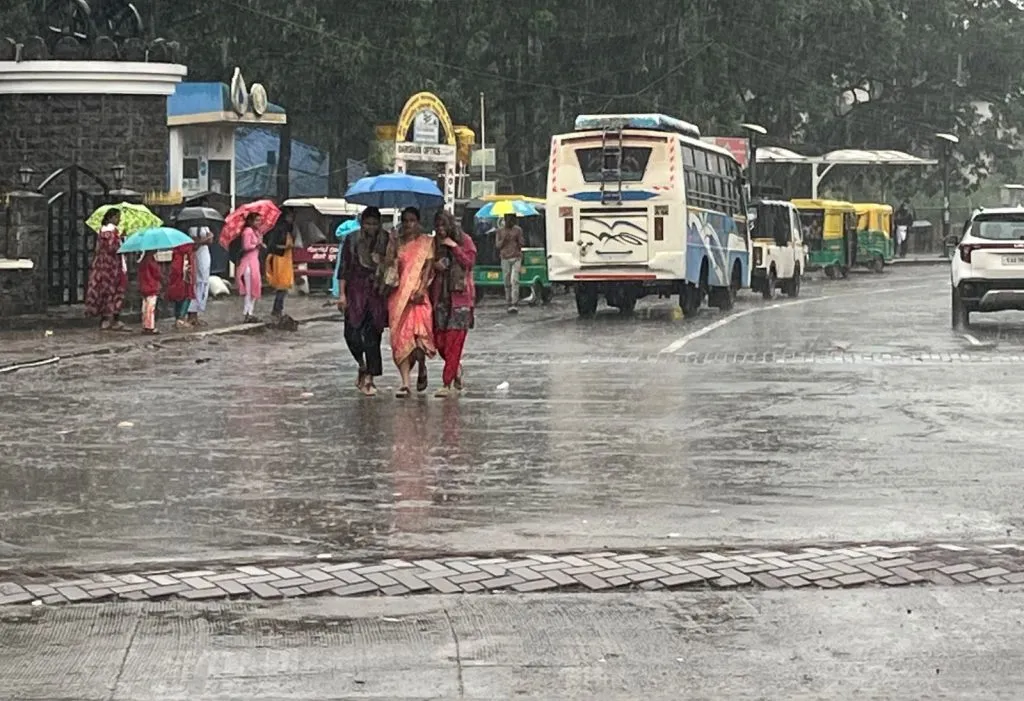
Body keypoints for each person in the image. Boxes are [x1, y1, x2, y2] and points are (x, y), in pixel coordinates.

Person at [337, 207, 390, 396]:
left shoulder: (387, 239)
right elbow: (343, 269)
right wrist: (342, 294)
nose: (371, 227)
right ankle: (361, 364)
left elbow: (393, 265)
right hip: (355, 290)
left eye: (375, 223)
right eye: (368, 223)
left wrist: (381, 262)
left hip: (377, 292)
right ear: (362, 222)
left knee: (372, 337)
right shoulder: (351, 240)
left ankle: (369, 378)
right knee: (351, 333)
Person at [385, 206, 436, 398]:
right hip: (398, 297)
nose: (408, 224)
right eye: (405, 220)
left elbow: (428, 269)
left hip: (418, 297)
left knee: (419, 338)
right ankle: (405, 383)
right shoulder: (396, 243)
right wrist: (391, 243)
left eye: (412, 220)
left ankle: (421, 365)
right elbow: (389, 266)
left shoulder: (426, 243)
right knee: (400, 339)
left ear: (419, 222)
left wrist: (421, 289)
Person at [430, 210, 477, 398]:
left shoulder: (465, 240)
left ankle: (447, 382)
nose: (441, 230)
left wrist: (454, 247)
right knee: (439, 341)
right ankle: (455, 368)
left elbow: (469, 262)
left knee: (454, 343)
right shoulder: (434, 244)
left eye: (444, 225)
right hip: (440, 298)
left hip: (460, 299)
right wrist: (435, 265)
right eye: (438, 226)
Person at [85, 208, 128, 331]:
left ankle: (110, 318)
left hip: (105, 266)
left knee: (107, 291)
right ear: (111, 218)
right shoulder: (111, 232)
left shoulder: (106, 232)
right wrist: (120, 239)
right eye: (117, 217)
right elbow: (112, 248)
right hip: (112, 267)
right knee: (112, 291)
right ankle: (110, 318)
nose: (119, 219)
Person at [265, 208, 295, 318]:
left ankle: (278, 308)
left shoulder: (288, 230)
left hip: (286, 259)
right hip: (279, 259)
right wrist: (285, 247)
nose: (292, 219)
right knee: (282, 285)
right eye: (290, 217)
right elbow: (272, 246)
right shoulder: (279, 230)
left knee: (284, 285)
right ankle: (277, 309)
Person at [236, 212, 264, 323]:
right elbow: (246, 246)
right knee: (249, 289)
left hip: (254, 262)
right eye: (257, 220)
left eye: (259, 220)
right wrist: (256, 245)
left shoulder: (256, 232)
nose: (259, 222)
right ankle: (247, 313)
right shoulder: (247, 232)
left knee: (255, 287)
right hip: (248, 264)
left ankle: (250, 311)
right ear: (251, 221)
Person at [495, 213, 525, 313]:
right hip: (505, 258)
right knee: (506, 280)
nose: (509, 221)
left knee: (515, 280)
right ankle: (508, 301)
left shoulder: (518, 230)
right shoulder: (500, 231)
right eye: (507, 219)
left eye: (511, 219)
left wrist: (517, 240)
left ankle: (514, 302)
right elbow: (498, 246)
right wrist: (504, 239)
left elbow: (522, 243)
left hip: (516, 257)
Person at [187, 225, 213, 326]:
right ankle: (191, 314)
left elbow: (210, 240)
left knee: (203, 282)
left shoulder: (205, 227)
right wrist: (205, 239)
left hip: (205, 254)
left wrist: (206, 239)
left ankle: (197, 313)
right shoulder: (191, 228)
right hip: (196, 255)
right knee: (196, 282)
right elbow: (194, 243)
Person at [166, 243, 195, 328]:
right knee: (187, 296)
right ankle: (181, 319)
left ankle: (177, 318)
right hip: (184, 277)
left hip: (176, 278)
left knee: (177, 298)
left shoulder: (176, 252)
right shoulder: (187, 251)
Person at [137, 251, 162, 334]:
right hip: (151, 286)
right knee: (150, 308)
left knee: (145, 307)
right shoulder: (151, 261)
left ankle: (144, 325)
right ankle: (150, 326)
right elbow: (157, 273)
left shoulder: (142, 261)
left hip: (144, 286)